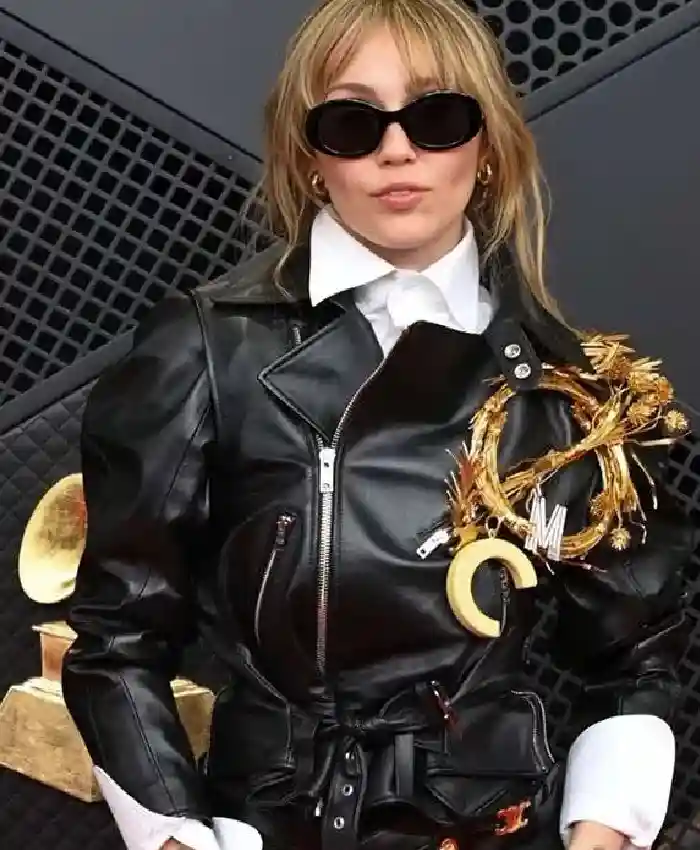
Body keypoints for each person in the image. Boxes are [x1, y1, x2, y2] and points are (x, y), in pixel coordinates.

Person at [61, 1, 696, 849]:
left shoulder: (569, 393)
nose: (397, 149)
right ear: (310, 154)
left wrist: (597, 839)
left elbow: (635, 662)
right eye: (353, 122)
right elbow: (117, 643)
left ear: (487, 145)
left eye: (437, 117)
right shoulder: (205, 348)